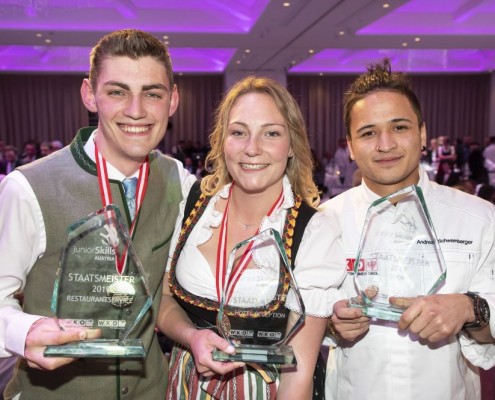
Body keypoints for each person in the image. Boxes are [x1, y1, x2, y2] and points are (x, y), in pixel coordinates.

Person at [0, 29, 196, 399]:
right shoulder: (27, 187)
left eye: (152, 93)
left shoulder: (180, 181)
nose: (136, 110)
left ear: (172, 100)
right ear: (90, 94)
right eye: (117, 92)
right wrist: (23, 331)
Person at [157, 76, 346, 399]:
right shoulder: (194, 205)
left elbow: (298, 373)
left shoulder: (314, 231)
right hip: (186, 386)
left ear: (292, 145)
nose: (252, 148)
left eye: (271, 133)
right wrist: (191, 336)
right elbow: (163, 299)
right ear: (222, 141)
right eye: (238, 132)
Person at [321, 59, 495, 400]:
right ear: (351, 145)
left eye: (399, 127)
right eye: (368, 133)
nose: (386, 144)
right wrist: (332, 324)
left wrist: (468, 309)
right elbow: (301, 314)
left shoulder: (480, 218)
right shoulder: (324, 222)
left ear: (422, 134)